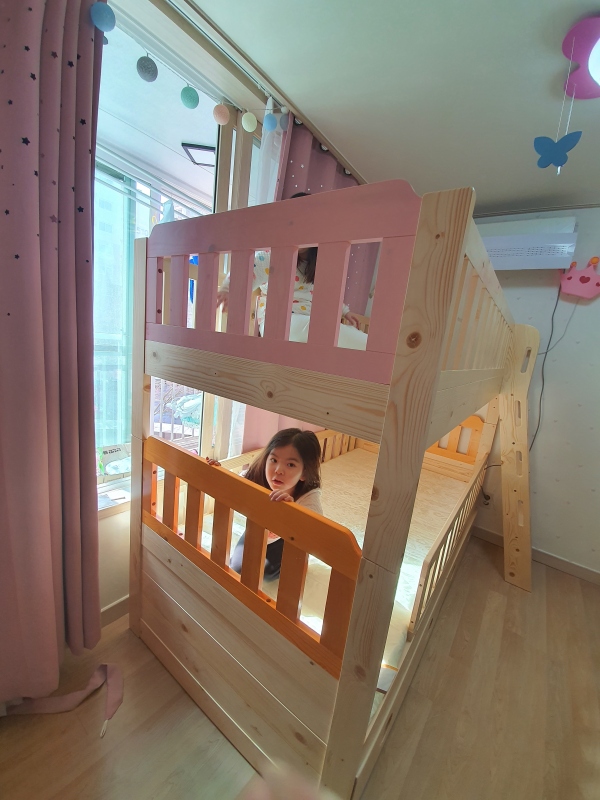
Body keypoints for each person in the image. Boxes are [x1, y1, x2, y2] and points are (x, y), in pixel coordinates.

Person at [216, 193, 368, 350]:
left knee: (330, 333)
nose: (298, 233)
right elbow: (247, 269)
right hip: (278, 320)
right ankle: (367, 345)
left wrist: (344, 312)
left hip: (309, 321)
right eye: (292, 225)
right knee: (320, 330)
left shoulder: (318, 265)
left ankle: (369, 346)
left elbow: (328, 293)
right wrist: (228, 289)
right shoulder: (272, 257)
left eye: (306, 227)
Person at [207, 428, 323, 580]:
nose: (278, 470)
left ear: (304, 473)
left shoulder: (308, 496)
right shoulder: (254, 479)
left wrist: (291, 511)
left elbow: (316, 532)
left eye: (290, 465)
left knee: (267, 574)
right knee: (237, 568)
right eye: (274, 460)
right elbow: (232, 487)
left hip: (285, 541)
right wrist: (218, 473)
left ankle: (301, 563)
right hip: (258, 530)